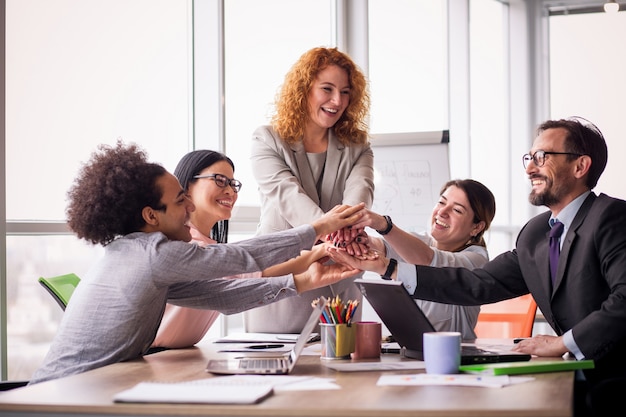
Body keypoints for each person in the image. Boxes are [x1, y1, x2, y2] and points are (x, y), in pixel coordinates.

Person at [327, 117, 625, 417]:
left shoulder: (611, 217)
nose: (530, 168)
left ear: (580, 166)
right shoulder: (536, 233)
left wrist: (562, 342)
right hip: (574, 378)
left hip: (613, 380)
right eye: (530, 157)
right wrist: (388, 268)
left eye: (542, 157)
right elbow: (475, 283)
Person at [29, 141, 365, 385]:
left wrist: (303, 282)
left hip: (87, 387)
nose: (190, 209)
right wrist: (319, 228)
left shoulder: (139, 254)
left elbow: (221, 297)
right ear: (151, 216)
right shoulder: (154, 254)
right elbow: (241, 258)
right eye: (180, 201)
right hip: (62, 395)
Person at [246, 46, 375, 333]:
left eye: (345, 92)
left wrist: (349, 226)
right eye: (327, 89)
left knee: (341, 369)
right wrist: (334, 231)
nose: (336, 100)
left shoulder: (358, 145)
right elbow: (287, 195)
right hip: (283, 274)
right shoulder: (266, 139)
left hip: (338, 277)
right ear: (305, 89)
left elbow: (361, 189)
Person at [153, 150, 333, 348]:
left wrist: (320, 251)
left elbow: (255, 273)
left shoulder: (210, 247)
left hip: (178, 357)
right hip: (151, 358)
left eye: (233, 183)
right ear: (186, 187)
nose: (230, 191)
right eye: (220, 180)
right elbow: (250, 276)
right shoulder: (182, 248)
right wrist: (318, 240)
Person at [345, 179, 496, 339]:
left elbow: (429, 261)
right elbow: (384, 246)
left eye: (457, 210)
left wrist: (384, 225)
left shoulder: (476, 259)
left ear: (476, 227)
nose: (442, 212)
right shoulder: (420, 242)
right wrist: (361, 240)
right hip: (408, 352)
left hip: (452, 355)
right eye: (441, 202)